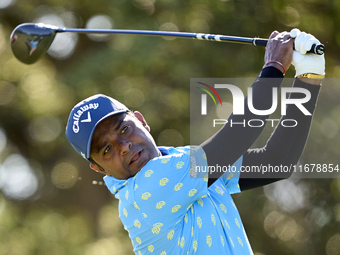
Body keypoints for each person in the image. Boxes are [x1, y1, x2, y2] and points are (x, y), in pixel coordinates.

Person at [65, 29, 325, 255]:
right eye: (106, 149)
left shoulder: (183, 165)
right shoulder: (143, 194)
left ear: (141, 120)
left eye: (123, 128)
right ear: (98, 169)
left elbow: (276, 161)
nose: (123, 146)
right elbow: (236, 137)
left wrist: (308, 76)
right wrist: (274, 66)